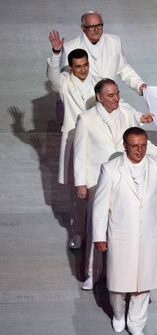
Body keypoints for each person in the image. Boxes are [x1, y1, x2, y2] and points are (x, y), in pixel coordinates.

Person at [93, 127, 157, 335]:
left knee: (142, 284)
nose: (140, 150)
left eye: (143, 145)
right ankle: (118, 315)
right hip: (121, 236)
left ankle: (136, 324)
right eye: (134, 146)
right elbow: (100, 207)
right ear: (125, 146)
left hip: (148, 236)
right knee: (119, 286)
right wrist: (99, 236)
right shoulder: (110, 169)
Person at [74, 78, 157, 290]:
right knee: (97, 226)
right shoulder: (86, 119)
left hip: (123, 176)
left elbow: (139, 141)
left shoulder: (125, 113)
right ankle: (92, 273)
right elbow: (79, 153)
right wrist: (81, 183)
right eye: (111, 95)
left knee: (120, 228)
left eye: (117, 93)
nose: (116, 98)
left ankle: (118, 273)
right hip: (96, 181)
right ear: (99, 97)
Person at [47, 31, 97, 249]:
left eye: (85, 65)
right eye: (78, 66)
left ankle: (98, 233)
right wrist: (57, 53)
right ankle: (77, 232)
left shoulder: (99, 83)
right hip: (73, 141)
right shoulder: (64, 83)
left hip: (95, 143)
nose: (83, 70)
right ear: (70, 67)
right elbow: (53, 78)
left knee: (97, 190)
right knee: (77, 191)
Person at [61, 11, 147, 95]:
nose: (96, 30)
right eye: (91, 27)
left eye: (99, 26)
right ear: (83, 28)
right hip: (83, 103)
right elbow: (64, 81)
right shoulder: (70, 48)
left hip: (111, 100)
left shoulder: (114, 42)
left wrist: (139, 85)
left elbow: (123, 69)